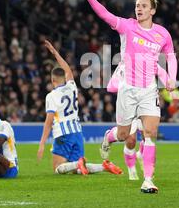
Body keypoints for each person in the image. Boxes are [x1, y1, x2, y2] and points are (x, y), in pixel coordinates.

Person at [80, 0, 177, 193]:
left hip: (149, 91)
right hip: (128, 89)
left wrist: (171, 77)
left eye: (143, 6)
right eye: (137, 6)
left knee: (150, 133)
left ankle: (148, 180)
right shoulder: (127, 26)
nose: (138, 9)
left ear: (152, 10)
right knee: (124, 135)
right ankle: (109, 136)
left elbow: (170, 56)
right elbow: (105, 15)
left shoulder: (163, 34)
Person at [37, 40, 122, 176]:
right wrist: (54, 52)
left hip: (62, 134)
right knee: (76, 170)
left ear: (53, 80)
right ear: (64, 78)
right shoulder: (72, 87)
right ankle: (104, 166)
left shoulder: (51, 96)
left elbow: (48, 122)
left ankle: (78, 163)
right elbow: (68, 70)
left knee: (58, 169)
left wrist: (42, 143)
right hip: (77, 133)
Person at [105, 61, 171, 181]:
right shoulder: (125, 64)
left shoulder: (148, 60)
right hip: (130, 103)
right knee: (130, 140)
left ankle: (144, 161)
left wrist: (168, 81)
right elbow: (111, 87)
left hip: (145, 101)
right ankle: (132, 170)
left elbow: (161, 72)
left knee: (148, 136)